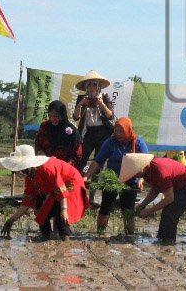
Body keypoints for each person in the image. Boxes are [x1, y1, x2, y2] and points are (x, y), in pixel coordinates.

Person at [0, 145, 89, 240]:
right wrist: (12, 219)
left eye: (24, 169)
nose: (23, 172)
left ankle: (64, 243)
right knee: (42, 218)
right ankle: (48, 239)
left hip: (71, 183)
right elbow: (27, 201)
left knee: (61, 218)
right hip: (56, 191)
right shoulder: (30, 176)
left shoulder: (47, 168)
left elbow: (61, 188)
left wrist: (64, 209)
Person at [84, 117, 148, 234]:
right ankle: (100, 234)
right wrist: (86, 176)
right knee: (105, 208)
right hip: (111, 180)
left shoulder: (138, 143)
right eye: (116, 131)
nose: (118, 134)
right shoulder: (110, 142)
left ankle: (129, 236)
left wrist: (141, 179)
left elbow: (145, 164)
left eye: (121, 131)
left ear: (128, 130)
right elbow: (98, 160)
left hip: (130, 180)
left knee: (127, 211)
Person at [123, 154, 186, 244]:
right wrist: (143, 204)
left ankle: (169, 242)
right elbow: (155, 189)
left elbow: (169, 198)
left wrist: (149, 211)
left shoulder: (159, 170)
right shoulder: (147, 172)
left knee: (171, 212)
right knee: (168, 211)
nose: (134, 176)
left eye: (134, 173)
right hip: (178, 186)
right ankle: (162, 239)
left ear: (141, 167)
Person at [72, 70, 114, 204]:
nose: (92, 88)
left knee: (99, 163)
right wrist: (81, 104)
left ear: (98, 86)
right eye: (89, 85)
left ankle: (91, 197)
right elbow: (75, 117)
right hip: (89, 132)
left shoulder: (105, 97)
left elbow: (110, 116)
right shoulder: (82, 98)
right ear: (86, 87)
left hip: (102, 133)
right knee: (81, 160)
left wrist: (101, 104)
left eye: (94, 85)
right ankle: (78, 192)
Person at [35, 100, 82, 165]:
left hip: (64, 168)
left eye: (55, 116)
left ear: (62, 115)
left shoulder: (72, 132)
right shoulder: (45, 127)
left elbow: (76, 155)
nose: (52, 119)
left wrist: (62, 167)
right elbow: (38, 145)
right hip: (45, 164)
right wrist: (45, 161)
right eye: (50, 116)